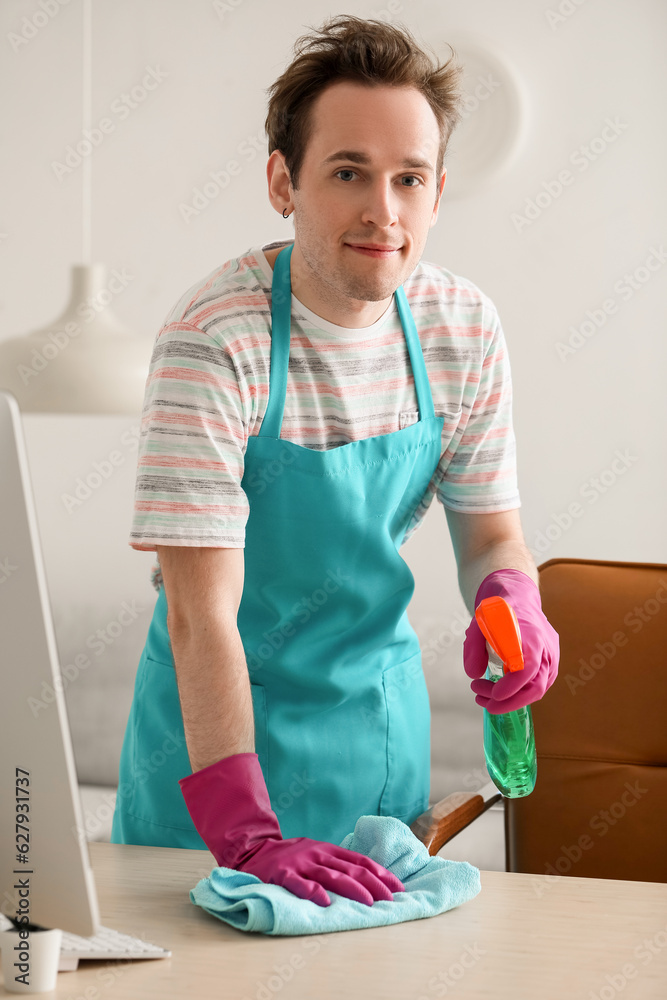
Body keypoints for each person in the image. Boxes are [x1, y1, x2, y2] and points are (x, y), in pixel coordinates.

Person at [110, 15, 559, 908]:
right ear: (283, 180)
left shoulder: (461, 329)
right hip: (209, 763)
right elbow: (203, 619)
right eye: (348, 172)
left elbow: (491, 535)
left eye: (408, 178)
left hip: (374, 738)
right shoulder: (214, 341)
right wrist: (245, 831)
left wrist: (513, 596)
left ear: (435, 194)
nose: (381, 211)